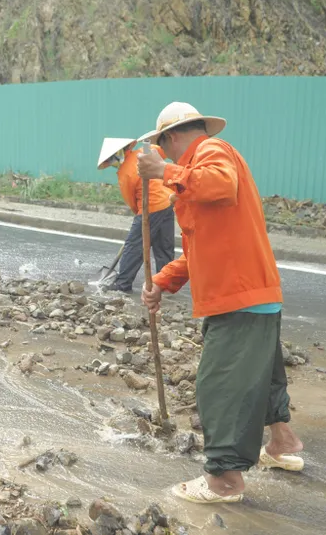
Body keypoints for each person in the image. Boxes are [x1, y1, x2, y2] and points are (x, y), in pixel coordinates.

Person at [135, 101, 305, 504]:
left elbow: (221, 183)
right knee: (261, 376)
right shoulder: (191, 176)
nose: (164, 154)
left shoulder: (212, 152)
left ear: (171, 137)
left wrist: (164, 172)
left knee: (221, 386)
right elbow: (198, 249)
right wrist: (161, 282)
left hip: (237, 298)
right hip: (250, 294)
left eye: (163, 147)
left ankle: (224, 481)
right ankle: (283, 444)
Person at [96, 138, 175, 292]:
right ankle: (166, 284)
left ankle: (123, 284)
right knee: (163, 246)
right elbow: (161, 150)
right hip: (167, 202)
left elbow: (131, 200)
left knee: (134, 246)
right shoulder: (143, 153)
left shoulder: (125, 174)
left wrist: (139, 219)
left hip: (150, 207)